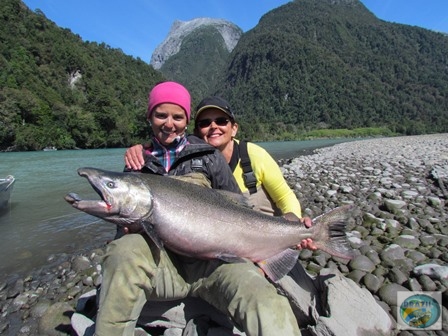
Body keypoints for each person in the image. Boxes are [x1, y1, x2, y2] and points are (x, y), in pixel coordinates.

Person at [97, 82, 306, 336]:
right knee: (122, 249)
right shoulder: (137, 162)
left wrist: (277, 241)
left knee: (265, 300)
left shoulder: (209, 157)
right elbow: (122, 230)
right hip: (163, 268)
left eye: (178, 116)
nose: (169, 123)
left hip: (217, 267)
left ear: (186, 122)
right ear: (149, 117)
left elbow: (239, 208)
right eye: (161, 115)